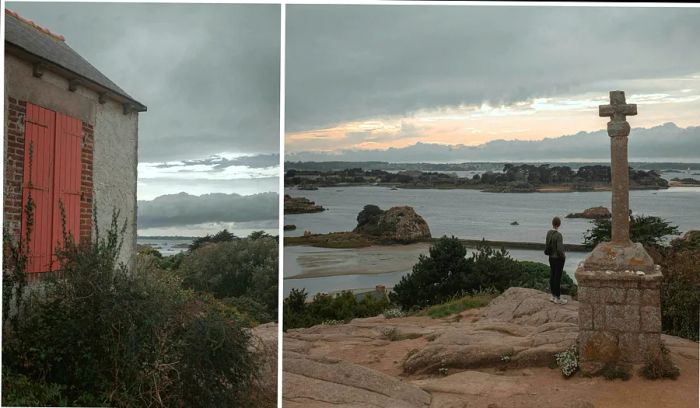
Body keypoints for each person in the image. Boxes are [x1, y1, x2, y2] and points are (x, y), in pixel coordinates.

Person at [545, 216, 567, 305]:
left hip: (551, 257)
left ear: (552, 223)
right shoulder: (558, 235)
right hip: (558, 259)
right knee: (557, 277)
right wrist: (563, 257)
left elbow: (547, 244)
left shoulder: (549, 233)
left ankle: (553, 295)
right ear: (559, 224)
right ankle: (558, 297)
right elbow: (559, 249)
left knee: (552, 275)